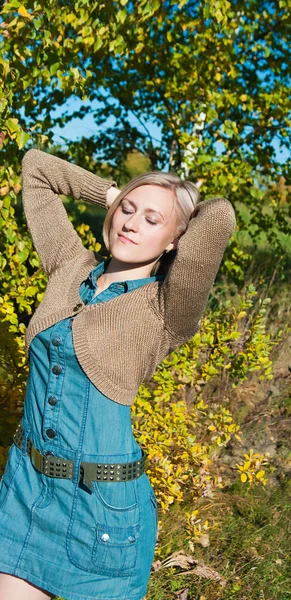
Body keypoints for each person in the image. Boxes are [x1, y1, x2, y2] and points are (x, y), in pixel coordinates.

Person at [0, 148, 236, 600]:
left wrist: (169, 208)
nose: (130, 223)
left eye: (151, 220)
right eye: (126, 210)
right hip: (27, 491)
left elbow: (219, 216)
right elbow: (36, 169)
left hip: (101, 510)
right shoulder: (69, 266)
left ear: (174, 240)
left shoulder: (167, 309)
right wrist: (112, 193)